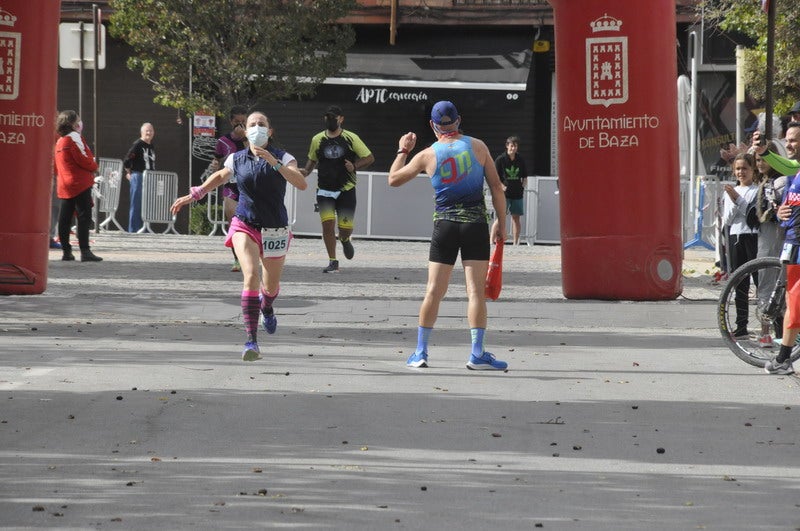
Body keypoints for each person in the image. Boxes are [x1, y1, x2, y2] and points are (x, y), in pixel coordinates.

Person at [171, 111, 307, 362]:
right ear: (245, 131)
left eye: (262, 124)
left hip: (275, 228)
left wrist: (274, 163)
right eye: (252, 124)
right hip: (245, 223)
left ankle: (267, 307)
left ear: (270, 131)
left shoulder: (283, 157)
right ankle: (251, 341)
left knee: (271, 287)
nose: (257, 128)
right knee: (251, 275)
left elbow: (301, 183)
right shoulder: (237, 158)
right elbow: (220, 176)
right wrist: (195, 194)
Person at [387, 100, 508, 371]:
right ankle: (477, 353)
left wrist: (403, 150)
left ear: (433, 126)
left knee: (433, 291)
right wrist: (501, 221)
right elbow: (497, 187)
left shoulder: (427, 154)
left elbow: (393, 179)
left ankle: (420, 352)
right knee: (475, 292)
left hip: (444, 227)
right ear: (458, 120)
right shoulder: (478, 146)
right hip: (475, 224)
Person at [299, 105, 374, 273]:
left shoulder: (351, 138)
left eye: (333, 117)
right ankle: (333, 261)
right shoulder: (317, 139)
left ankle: (345, 239)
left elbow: (369, 157)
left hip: (346, 189)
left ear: (341, 119)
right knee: (327, 225)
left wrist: (354, 166)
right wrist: (302, 172)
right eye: (327, 117)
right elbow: (311, 163)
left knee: (344, 228)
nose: (330, 120)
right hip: (324, 189)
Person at [753, 124, 800, 374]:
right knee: (793, 305)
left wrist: (766, 153)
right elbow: (791, 210)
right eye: (788, 140)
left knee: (794, 306)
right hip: (792, 246)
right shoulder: (794, 175)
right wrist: (781, 215)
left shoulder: (795, 169)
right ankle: (784, 359)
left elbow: (788, 165)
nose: (789, 144)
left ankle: (783, 359)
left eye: (794, 140)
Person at [53, 110, 102, 262]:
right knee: (84, 217)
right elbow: (83, 158)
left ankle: (66, 251)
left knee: (65, 218)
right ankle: (85, 251)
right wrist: (94, 166)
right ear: (73, 123)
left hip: (64, 184)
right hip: (79, 183)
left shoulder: (60, 141)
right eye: (78, 120)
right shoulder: (74, 137)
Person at [722, 152, 759, 339]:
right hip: (736, 237)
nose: (741, 172)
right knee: (740, 283)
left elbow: (752, 215)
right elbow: (728, 218)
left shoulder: (757, 190)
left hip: (753, 237)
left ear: (752, 170)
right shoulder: (729, 191)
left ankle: (770, 326)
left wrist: (737, 198)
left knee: (760, 281)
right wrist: (734, 199)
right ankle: (741, 326)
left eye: (744, 168)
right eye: (737, 169)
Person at [753, 141, 787, 347]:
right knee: (766, 281)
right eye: (757, 160)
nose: (760, 164)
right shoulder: (764, 182)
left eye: (764, 159)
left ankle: (779, 332)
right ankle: (766, 332)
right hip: (765, 235)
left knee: (776, 281)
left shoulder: (780, 181)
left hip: (777, 235)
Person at [210, 105, 249, 272]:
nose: (240, 125)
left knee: (249, 223)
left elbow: (255, 154)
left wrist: (245, 139)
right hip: (231, 186)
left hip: (248, 186)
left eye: (243, 122)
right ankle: (237, 258)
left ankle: (250, 254)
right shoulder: (223, 141)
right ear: (231, 121)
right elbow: (217, 160)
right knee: (232, 219)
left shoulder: (252, 139)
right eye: (236, 122)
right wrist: (214, 165)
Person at [491, 135, 528, 246]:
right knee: (501, 217)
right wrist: (502, 186)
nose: (513, 148)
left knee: (516, 218)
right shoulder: (500, 159)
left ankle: (516, 243)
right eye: (512, 146)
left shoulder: (520, 159)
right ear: (507, 146)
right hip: (504, 194)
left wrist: (522, 186)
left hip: (517, 194)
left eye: (515, 146)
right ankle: (491, 241)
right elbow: (495, 177)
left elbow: (525, 176)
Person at [123, 122, 156, 233]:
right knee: (136, 203)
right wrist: (130, 173)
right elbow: (127, 159)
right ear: (141, 132)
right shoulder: (138, 144)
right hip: (138, 176)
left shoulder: (151, 146)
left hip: (149, 177)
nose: (149, 133)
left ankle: (145, 228)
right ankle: (133, 229)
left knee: (147, 204)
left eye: (151, 130)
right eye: (147, 130)